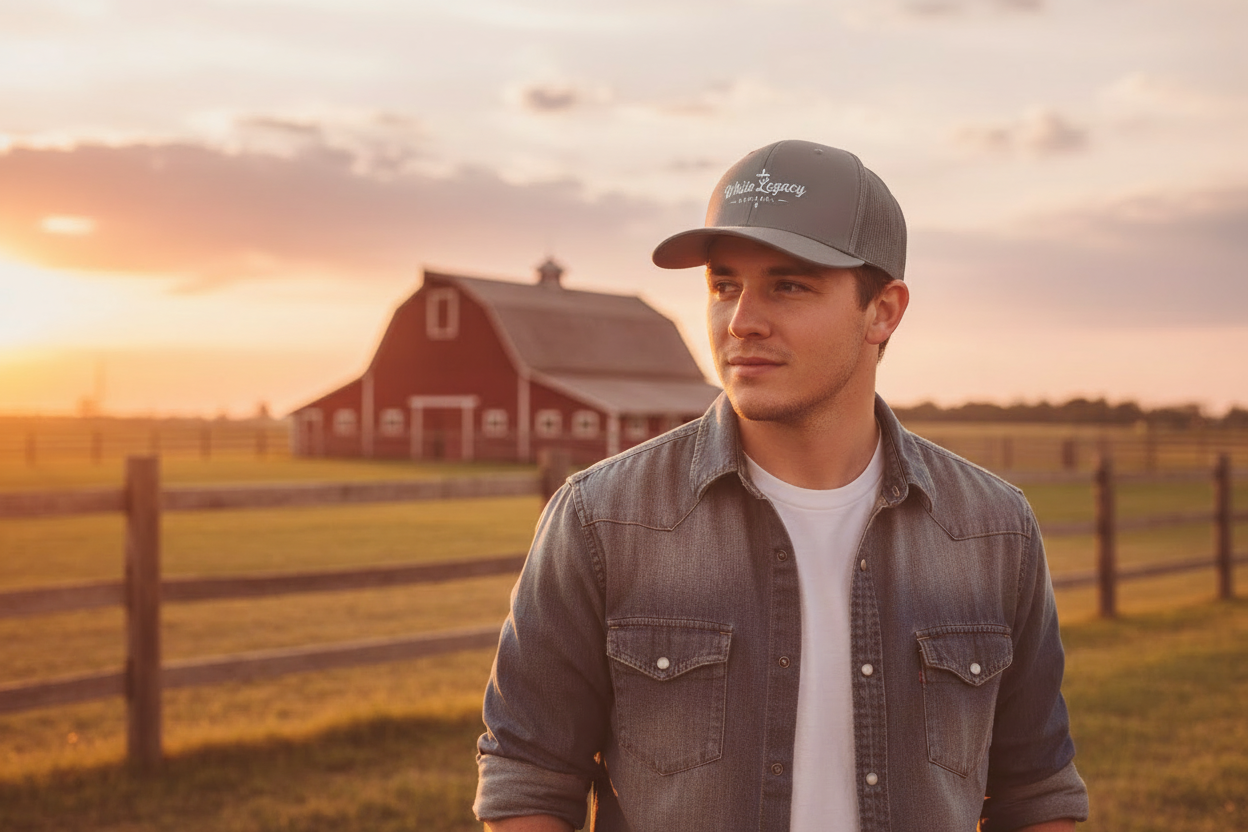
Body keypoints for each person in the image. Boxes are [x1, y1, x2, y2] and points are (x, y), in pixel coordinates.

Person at [474, 139, 1089, 832]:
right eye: (724, 285)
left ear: (883, 311)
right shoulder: (602, 520)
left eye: (789, 285)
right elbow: (528, 777)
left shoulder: (992, 529)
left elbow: (1036, 791)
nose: (741, 321)